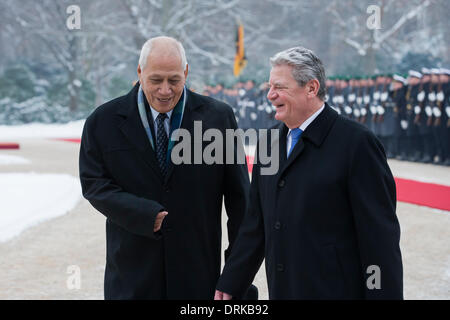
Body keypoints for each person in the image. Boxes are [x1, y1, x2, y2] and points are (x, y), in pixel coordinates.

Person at [214, 46, 403, 300]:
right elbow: (256, 224)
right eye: (270, 86)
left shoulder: (356, 144)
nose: (270, 95)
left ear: (311, 88)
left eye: (280, 87)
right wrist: (231, 281)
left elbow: (379, 241)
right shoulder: (269, 142)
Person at [79, 36, 253, 299]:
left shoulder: (219, 118)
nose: (165, 90)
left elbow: (241, 203)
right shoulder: (102, 122)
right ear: (139, 72)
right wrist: (144, 214)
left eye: (174, 80)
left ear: (186, 72)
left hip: (198, 277)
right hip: (130, 277)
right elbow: (94, 184)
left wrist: (236, 277)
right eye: (155, 80)